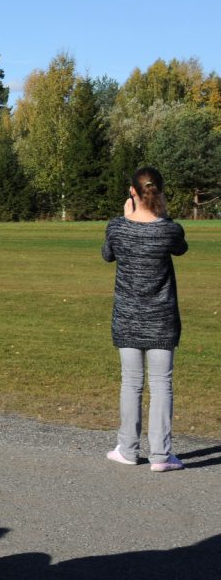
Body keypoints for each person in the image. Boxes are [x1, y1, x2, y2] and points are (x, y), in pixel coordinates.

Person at [102, 167, 188, 472]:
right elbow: (180, 247)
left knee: (131, 383)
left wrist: (127, 218)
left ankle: (127, 448)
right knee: (162, 383)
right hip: (162, 317)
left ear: (132, 193)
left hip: (127, 317)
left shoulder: (117, 228)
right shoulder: (169, 229)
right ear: (160, 193)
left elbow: (107, 254)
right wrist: (161, 215)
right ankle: (161, 455)